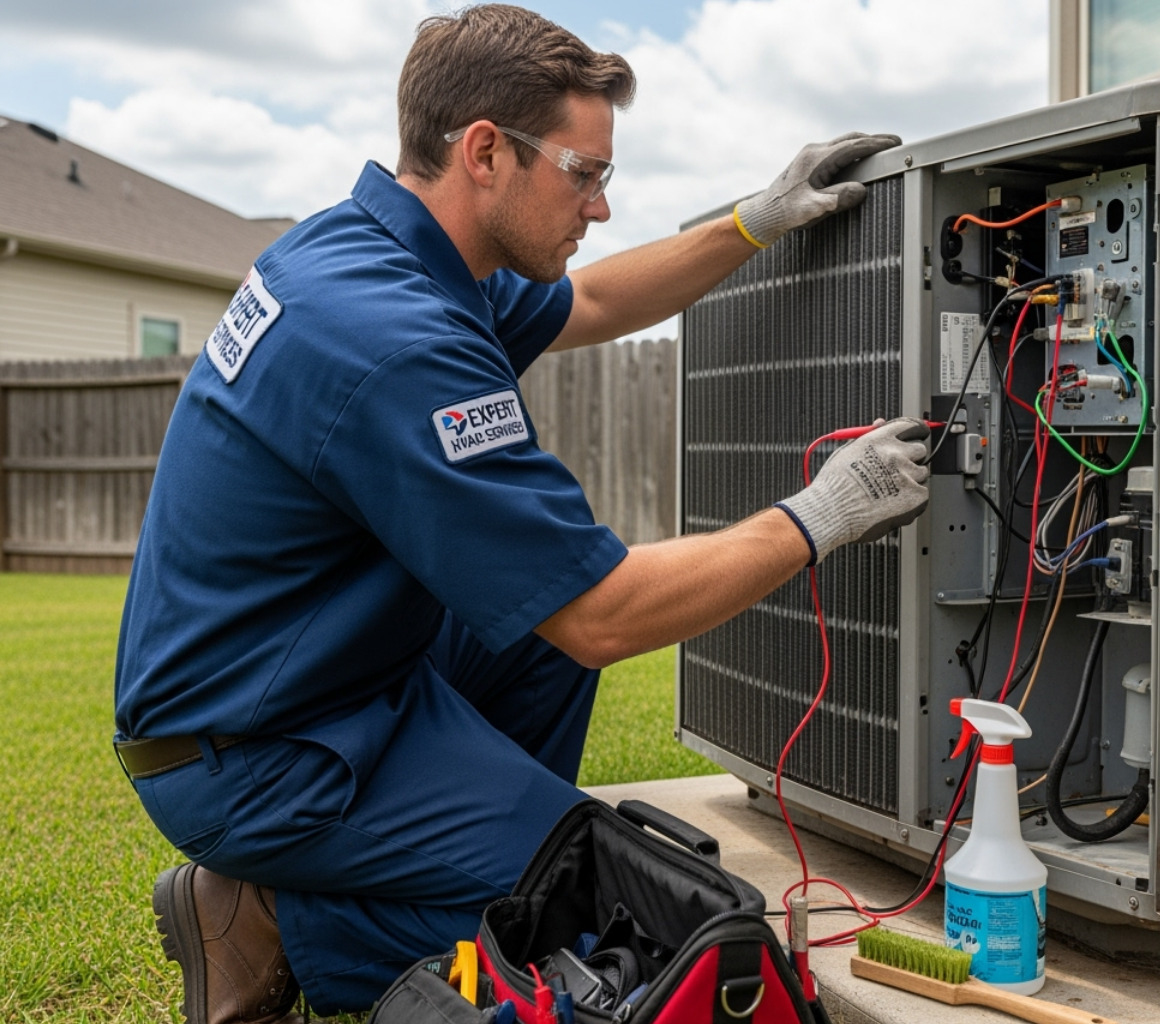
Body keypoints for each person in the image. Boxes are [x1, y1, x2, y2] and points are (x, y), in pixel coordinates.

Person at [111, 6, 930, 1023]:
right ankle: (273, 914)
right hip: (261, 756)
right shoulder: (392, 336)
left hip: (318, 681)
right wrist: (824, 511)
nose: (600, 206)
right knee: (604, 917)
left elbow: (591, 304)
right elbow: (604, 613)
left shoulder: (389, 250)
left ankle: (488, 864)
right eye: (584, 174)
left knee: (538, 638)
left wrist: (752, 222)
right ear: (486, 152)